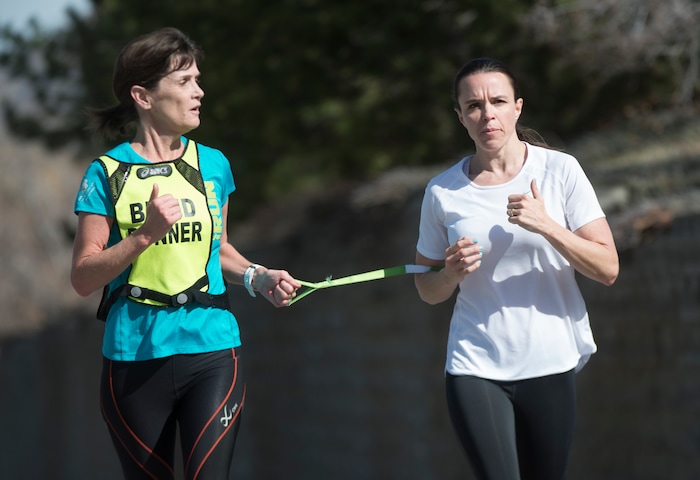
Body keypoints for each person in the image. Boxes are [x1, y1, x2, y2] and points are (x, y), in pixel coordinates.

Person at [70, 27, 300, 480]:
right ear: (143, 96)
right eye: (184, 81)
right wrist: (144, 235)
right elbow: (82, 277)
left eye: (198, 79)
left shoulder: (213, 164)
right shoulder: (106, 174)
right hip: (134, 360)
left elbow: (220, 248)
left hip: (212, 349)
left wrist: (258, 275)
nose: (199, 92)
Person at [414, 57, 619, 480]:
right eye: (473, 106)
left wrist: (547, 225)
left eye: (498, 101)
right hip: (475, 362)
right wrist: (449, 275)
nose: (487, 113)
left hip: (548, 359)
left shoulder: (560, 171)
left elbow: (607, 267)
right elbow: (426, 289)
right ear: (460, 117)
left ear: (517, 108)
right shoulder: (442, 191)